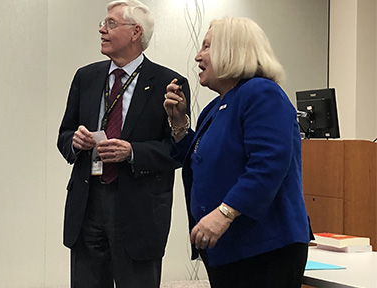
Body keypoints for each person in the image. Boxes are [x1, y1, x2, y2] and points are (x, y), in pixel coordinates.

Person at [164, 17, 311, 288]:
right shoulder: (214, 108)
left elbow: (268, 164)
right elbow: (200, 161)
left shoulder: (262, 93)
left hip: (264, 247)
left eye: (207, 47)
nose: (198, 56)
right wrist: (179, 123)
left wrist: (224, 213)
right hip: (227, 247)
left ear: (232, 51)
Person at [57, 0, 190, 287]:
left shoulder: (168, 83)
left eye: (111, 24)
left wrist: (133, 152)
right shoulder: (86, 77)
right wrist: (75, 142)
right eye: (103, 24)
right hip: (88, 203)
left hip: (139, 209)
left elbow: (178, 150)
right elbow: (64, 134)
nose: (102, 30)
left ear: (135, 32)